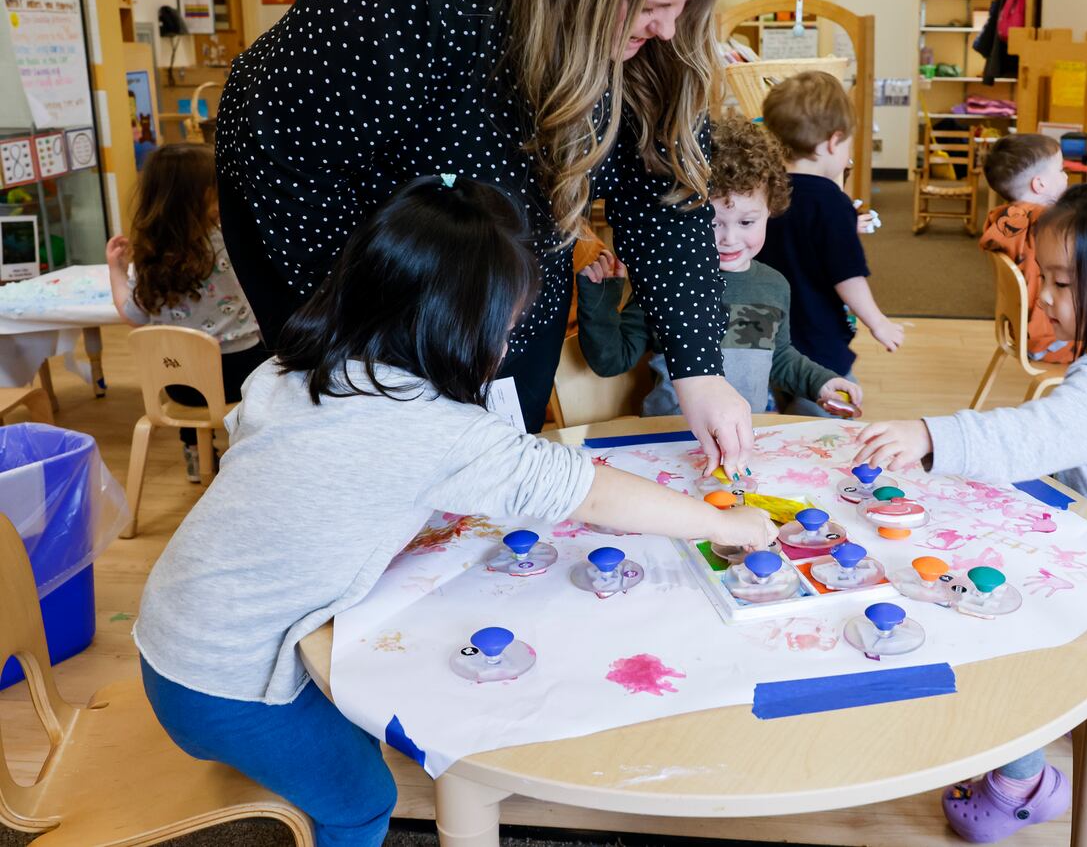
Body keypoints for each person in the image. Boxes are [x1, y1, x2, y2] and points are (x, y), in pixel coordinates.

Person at [134, 176, 771, 847]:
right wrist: (726, 523)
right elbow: (589, 491)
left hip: (172, 630)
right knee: (363, 797)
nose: (504, 347)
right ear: (455, 327)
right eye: (504, 327)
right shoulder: (435, 429)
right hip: (226, 682)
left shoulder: (295, 368)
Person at [213, 0, 754, 472]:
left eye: (684, 5)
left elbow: (665, 188)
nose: (668, 28)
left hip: (503, 217)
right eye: (654, 6)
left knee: (499, 430)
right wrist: (380, 359)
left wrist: (699, 366)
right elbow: (301, 164)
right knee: (381, 441)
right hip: (325, 199)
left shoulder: (655, 36)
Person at [855, 164, 1087, 843]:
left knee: (1003, 623)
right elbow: (1059, 441)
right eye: (1046, 278)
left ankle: (1024, 782)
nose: (1047, 300)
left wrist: (929, 434)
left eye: (1063, 285)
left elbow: (1029, 434)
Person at [576, 119, 863, 419]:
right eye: (712, 223)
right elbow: (611, 360)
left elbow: (779, 359)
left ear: (771, 210)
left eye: (747, 222)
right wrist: (601, 298)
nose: (729, 239)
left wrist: (821, 382)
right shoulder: (666, 279)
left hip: (742, 440)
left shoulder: (773, 285)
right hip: (669, 439)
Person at [105, 143, 269, 483]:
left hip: (179, 386)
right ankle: (248, 451)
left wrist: (117, 270)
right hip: (238, 379)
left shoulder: (151, 258)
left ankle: (195, 453)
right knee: (275, 359)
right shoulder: (228, 243)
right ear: (207, 195)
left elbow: (131, 314)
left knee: (184, 361)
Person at [757, 72, 903, 415]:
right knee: (829, 426)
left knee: (771, 425)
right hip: (817, 339)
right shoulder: (831, 202)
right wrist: (877, 321)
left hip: (763, 336)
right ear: (834, 142)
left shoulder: (763, 191)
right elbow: (847, 274)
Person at [977, 133, 1074, 364]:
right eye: (1061, 170)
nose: (1066, 176)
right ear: (1040, 184)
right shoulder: (1047, 226)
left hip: (1020, 333)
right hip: (1056, 341)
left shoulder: (1000, 220)